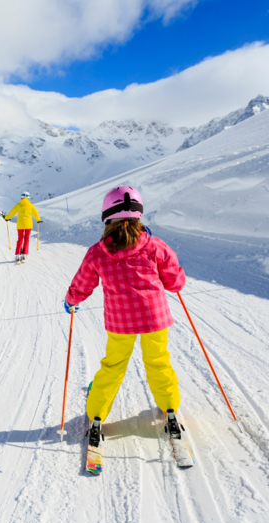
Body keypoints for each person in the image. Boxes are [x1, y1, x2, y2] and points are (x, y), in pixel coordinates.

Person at [63, 185, 187, 470]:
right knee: (158, 361)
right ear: (138, 215)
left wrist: (72, 299)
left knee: (113, 366)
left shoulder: (98, 252)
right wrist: (176, 280)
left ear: (107, 217)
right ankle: (169, 409)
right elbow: (174, 281)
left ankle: (97, 416)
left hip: (121, 322)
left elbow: (83, 282)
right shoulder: (155, 246)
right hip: (155, 319)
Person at [4, 192, 41, 264]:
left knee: (20, 239)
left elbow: (12, 213)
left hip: (20, 225)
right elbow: (36, 214)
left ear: (21, 197)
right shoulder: (31, 206)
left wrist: (6, 217)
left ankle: (18, 255)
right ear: (28, 198)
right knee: (26, 239)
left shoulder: (18, 205)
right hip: (28, 225)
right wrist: (38, 220)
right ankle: (24, 255)